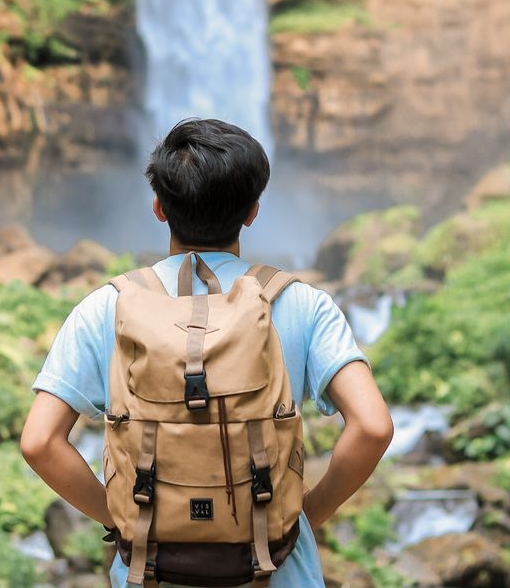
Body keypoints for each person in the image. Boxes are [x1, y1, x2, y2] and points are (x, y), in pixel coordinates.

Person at [21, 117, 394, 587]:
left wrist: (122, 518)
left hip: (148, 573)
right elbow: (374, 426)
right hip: (276, 567)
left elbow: (39, 442)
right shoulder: (300, 303)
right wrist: (303, 515)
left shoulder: (108, 307)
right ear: (253, 210)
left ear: (158, 207)